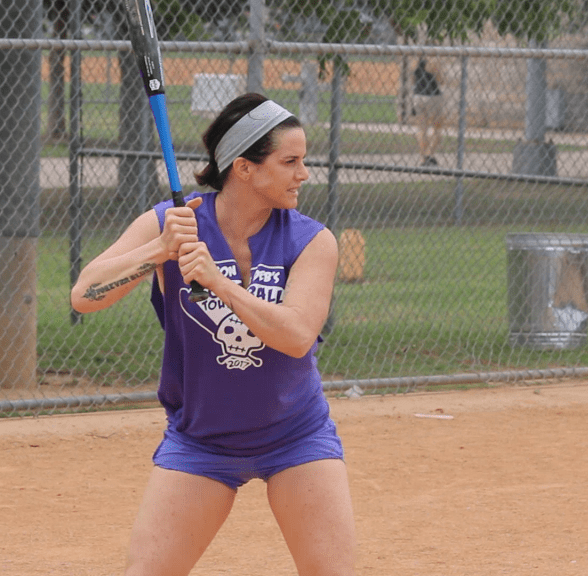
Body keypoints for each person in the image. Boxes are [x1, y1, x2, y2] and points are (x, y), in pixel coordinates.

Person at [70, 92, 356, 576]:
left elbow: (296, 336)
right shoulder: (173, 222)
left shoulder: (311, 239)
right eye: (290, 161)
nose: (304, 174)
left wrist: (220, 283)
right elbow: (84, 295)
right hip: (201, 441)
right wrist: (158, 250)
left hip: (294, 435)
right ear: (244, 168)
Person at [412, 58, 445, 167]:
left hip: (418, 95)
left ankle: (423, 158)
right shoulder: (434, 60)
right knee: (437, 129)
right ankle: (429, 154)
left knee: (422, 128)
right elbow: (441, 80)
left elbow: (413, 79)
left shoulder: (415, 60)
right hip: (433, 97)